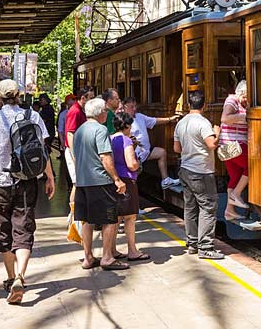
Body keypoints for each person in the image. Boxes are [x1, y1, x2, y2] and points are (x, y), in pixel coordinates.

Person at [0, 79, 55, 305]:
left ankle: (11, 277)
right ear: (19, 95)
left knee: (5, 230)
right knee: (23, 227)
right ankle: (21, 275)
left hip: (1, 183)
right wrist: (49, 177)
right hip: (27, 181)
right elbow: (42, 151)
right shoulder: (34, 117)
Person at [73, 97, 129, 271]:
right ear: (99, 113)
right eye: (105, 110)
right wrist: (116, 179)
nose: (107, 113)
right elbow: (105, 157)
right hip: (100, 181)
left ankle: (88, 257)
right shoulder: (100, 130)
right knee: (110, 219)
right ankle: (107, 257)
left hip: (82, 181)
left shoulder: (79, 131)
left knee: (87, 220)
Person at [174, 90, 223, 260]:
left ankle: (192, 243)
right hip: (201, 170)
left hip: (185, 169)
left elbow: (176, 149)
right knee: (208, 207)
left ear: (189, 104)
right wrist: (217, 132)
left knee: (190, 207)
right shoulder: (203, 123)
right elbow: (211, 144)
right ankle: (206, 247)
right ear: (204, 105)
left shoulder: (181, 123)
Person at [109, 112, 149, 261]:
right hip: (127, 180)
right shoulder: (126, 141)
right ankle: (132, 250)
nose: (131, 128)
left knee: (117, 217)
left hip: (114, 180)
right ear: (126, 126)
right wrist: (138, 163)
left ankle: (112, 249)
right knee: (130, 218)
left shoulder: (110, 138)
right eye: (130, 125)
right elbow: (131, 164)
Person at [123, 97, 181, 189]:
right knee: (133, 176)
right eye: (131, 107)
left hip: (146, 151)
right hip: (134, 154)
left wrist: (170, 119)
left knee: (161, 152)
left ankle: (165, 180)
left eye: (135, 106)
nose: (134, 109)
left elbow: (154, 120)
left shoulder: (140, 116)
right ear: (125, 107)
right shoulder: (123, 120)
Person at [220, 81, 250, 222]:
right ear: (240, 93)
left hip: (227, 148)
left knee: (236, 177)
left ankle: (229, 211)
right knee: (254, 166)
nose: (246, 100)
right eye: (245, 97)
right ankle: (236, 194)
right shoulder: (232, 100)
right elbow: (225, 118)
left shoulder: (242, 104)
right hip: (233, 146)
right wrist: (246, 117)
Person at [65, 87, 94, 203]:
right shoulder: (75, 111)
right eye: (90, 98)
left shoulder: (81, 110)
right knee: (77, 182)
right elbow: (70, 134)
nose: (92, 101)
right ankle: (73, 213)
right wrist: (74, 155)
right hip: (76, 151)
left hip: (81, 151)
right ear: (83, 98)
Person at [56, 94, 76, 161]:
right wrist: (62, 143)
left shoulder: (79, 112)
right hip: (68, 143)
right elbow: (60, 130)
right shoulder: (63, 114)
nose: (75, 101)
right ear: (68, 101)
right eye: (73, 99)